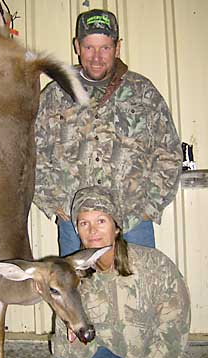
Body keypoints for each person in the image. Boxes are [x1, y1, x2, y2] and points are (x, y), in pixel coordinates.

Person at [33, 9, 183, 255]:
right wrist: (56, 204)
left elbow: (168, 153)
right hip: (76, 225)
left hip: (132, 223)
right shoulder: (55, 94)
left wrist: (148, 207)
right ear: (77, 46)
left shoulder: (142, 92)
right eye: (89, 47)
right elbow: (32, 154)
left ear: (118, 47)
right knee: (81, 293)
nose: (96, 57)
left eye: (105, 47)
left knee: (137, 291)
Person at [52, 186, 191, 358]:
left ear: (116, 227)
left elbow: (174, 328)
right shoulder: (74, 278)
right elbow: (66, 348)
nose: (92, 230)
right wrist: (74, 336)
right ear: (77, 231)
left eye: (101, 221)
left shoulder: (155, 265)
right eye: (84, 223)